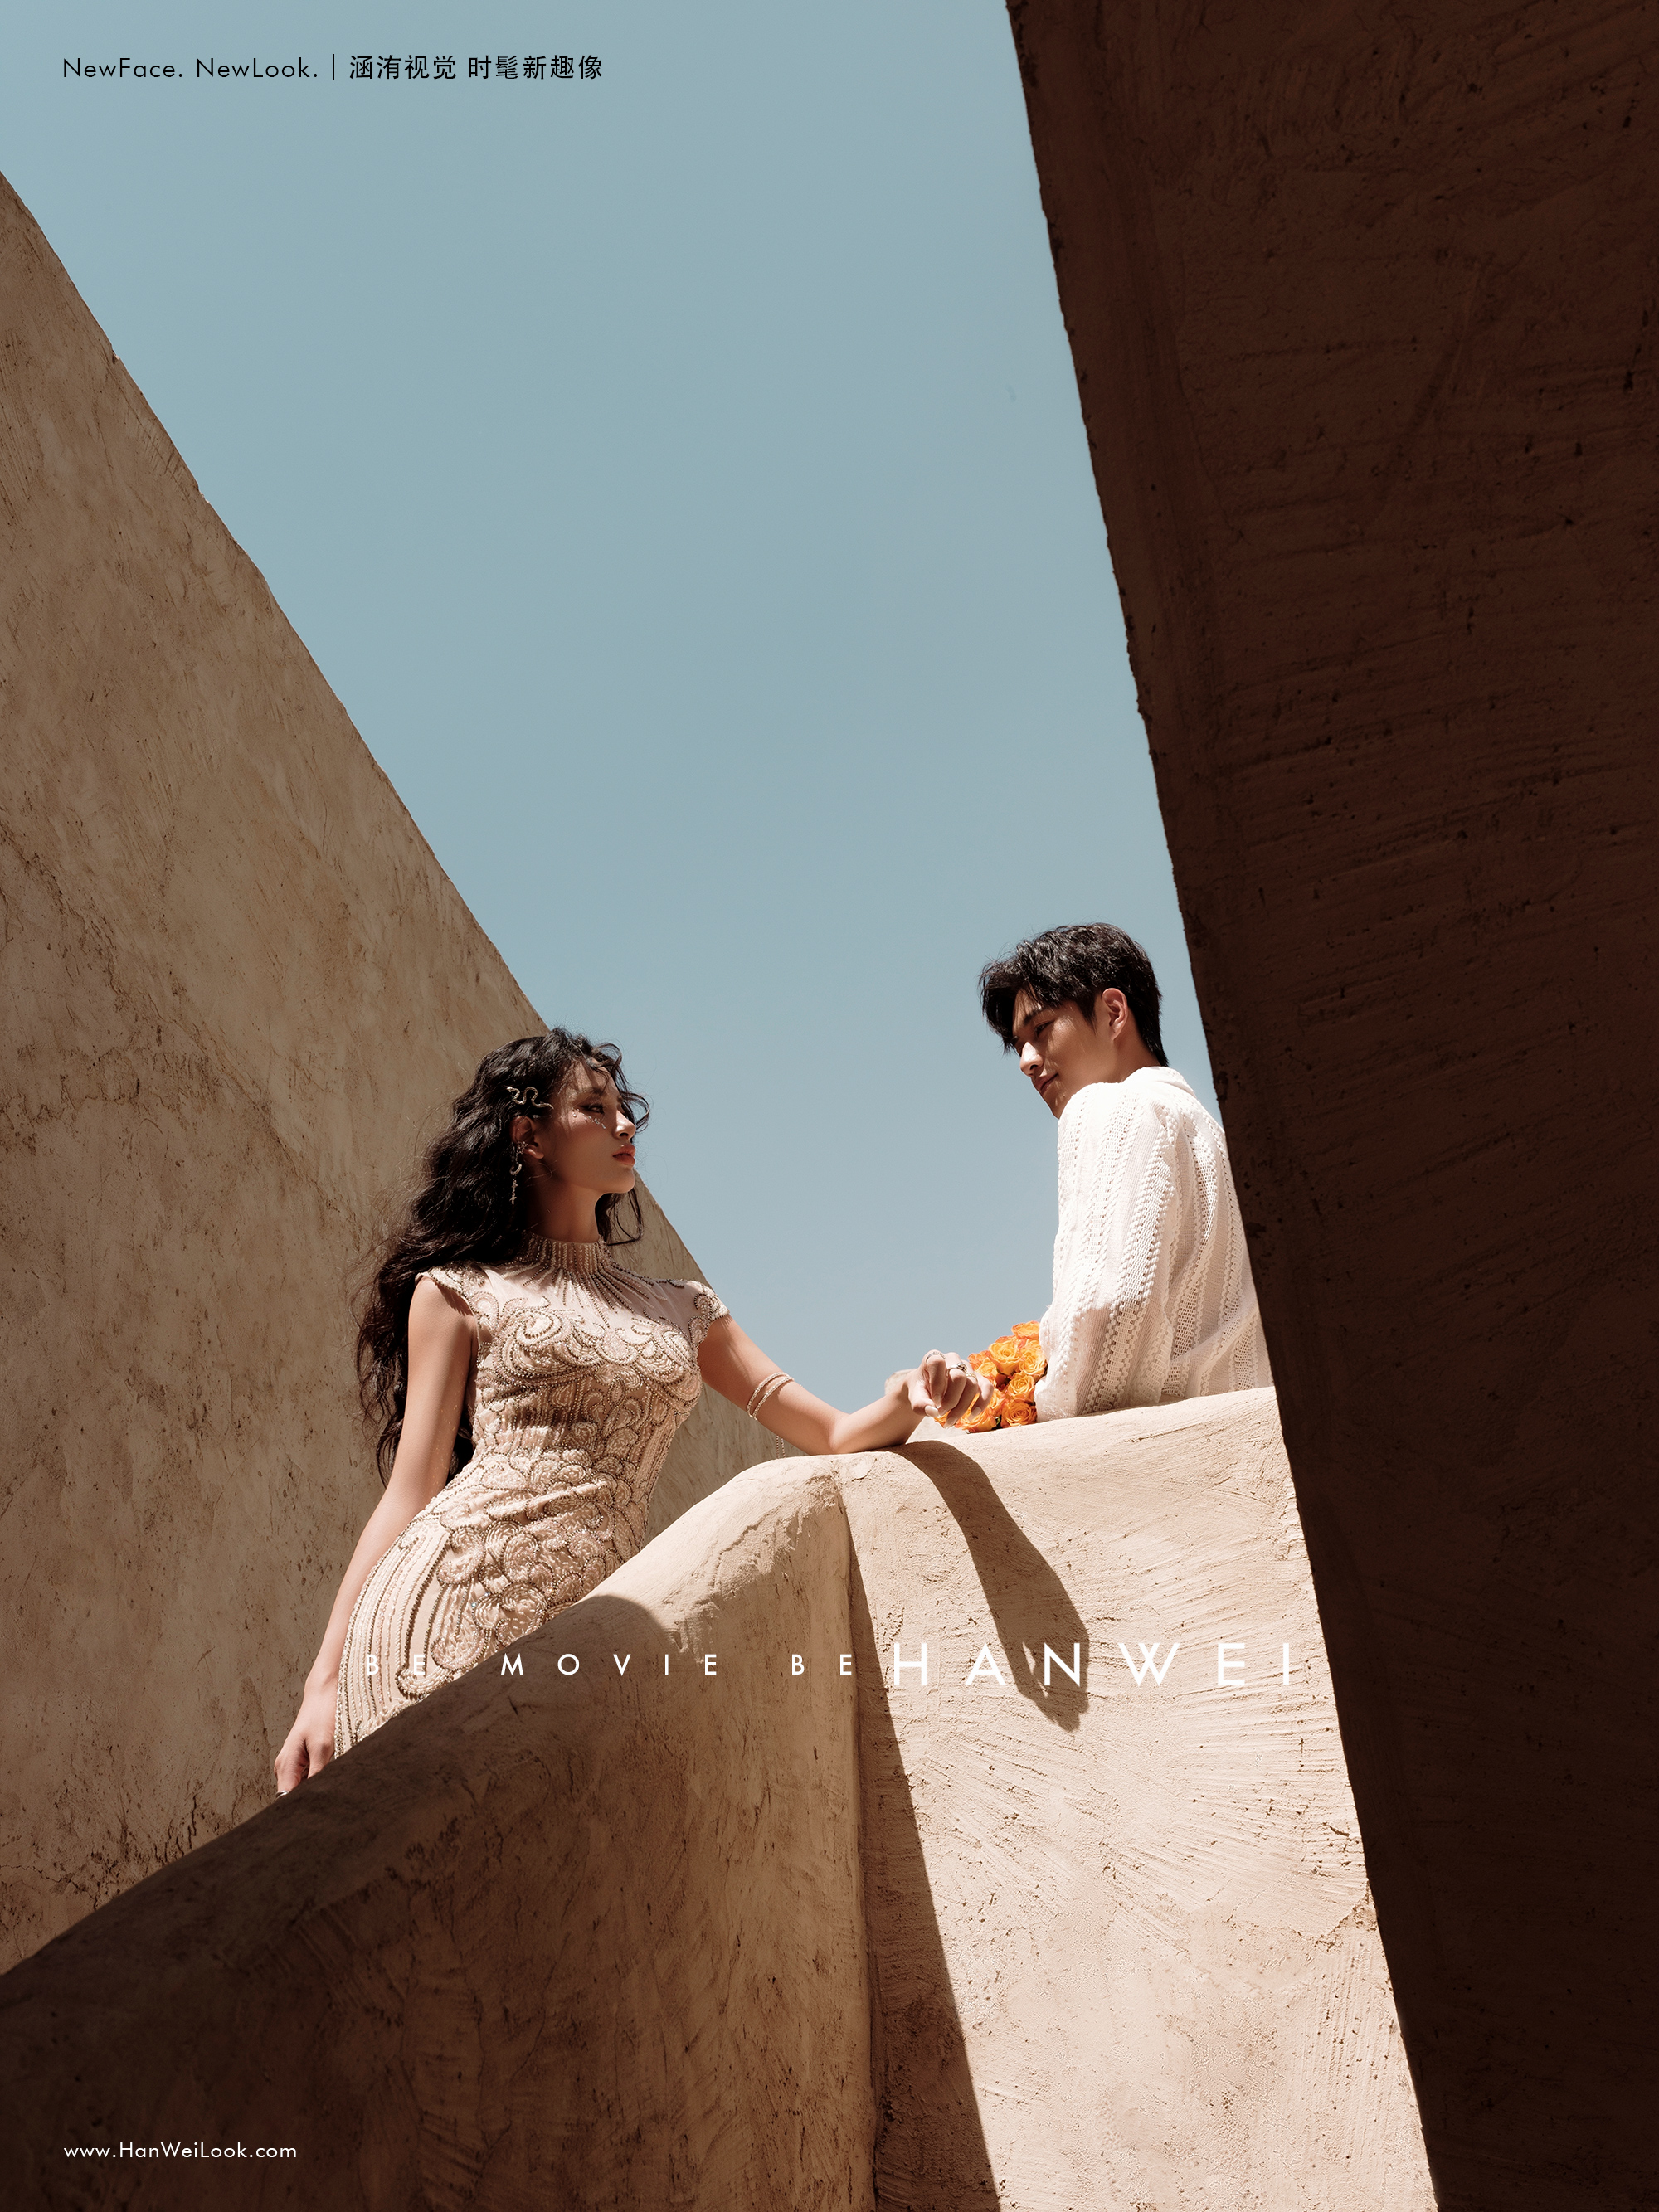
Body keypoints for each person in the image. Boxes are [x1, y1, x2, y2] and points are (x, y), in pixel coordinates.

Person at [275, 1028, 988, 1790]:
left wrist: (908, 1396)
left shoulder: (681, 1308)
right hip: (448, 1608)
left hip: (587, 1631)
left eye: (624, 1108)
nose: (624, 1124)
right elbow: (410, 1493)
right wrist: (324, 1683)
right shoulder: (458, 1289)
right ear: (529, 1138)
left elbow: (834, 1433)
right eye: (594, 1107)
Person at [978, 923, 1270, 1422]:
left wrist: (1036, 1418)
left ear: (1114, 1013)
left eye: (1041, 1028)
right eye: (1018, 1043)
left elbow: (1112, 1310)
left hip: (1165, 1454)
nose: (1026, 1061)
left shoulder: (1108, 1108)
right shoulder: (1214, 1139)